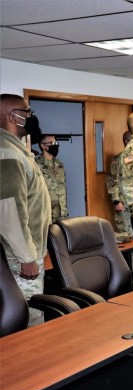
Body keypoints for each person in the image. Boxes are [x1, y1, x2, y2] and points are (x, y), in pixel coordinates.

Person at [0, 93, 51, 326]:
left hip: (28, 250)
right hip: (19, 256)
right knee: (29, 315)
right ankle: (33, 362)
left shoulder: (15, 149)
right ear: (13, 116)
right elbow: (10, 210)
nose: (32, 117)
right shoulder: (7, 153)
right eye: (27, 112)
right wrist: (27, 257)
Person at [107, 131, 133, 239]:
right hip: (124, 201)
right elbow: (112, 180)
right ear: (126, 142)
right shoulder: (118, 159)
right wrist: (116, 201)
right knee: (126, 233)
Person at [35, 134, 68, 222]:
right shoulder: (36, 164)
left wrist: (64, 210)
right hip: (45, 213)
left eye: (56, 142)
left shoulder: (59, 164)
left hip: (62, 212)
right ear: (43, 146)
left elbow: (63, 188)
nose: (55, 145)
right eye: (51, 143)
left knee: (62, 235)